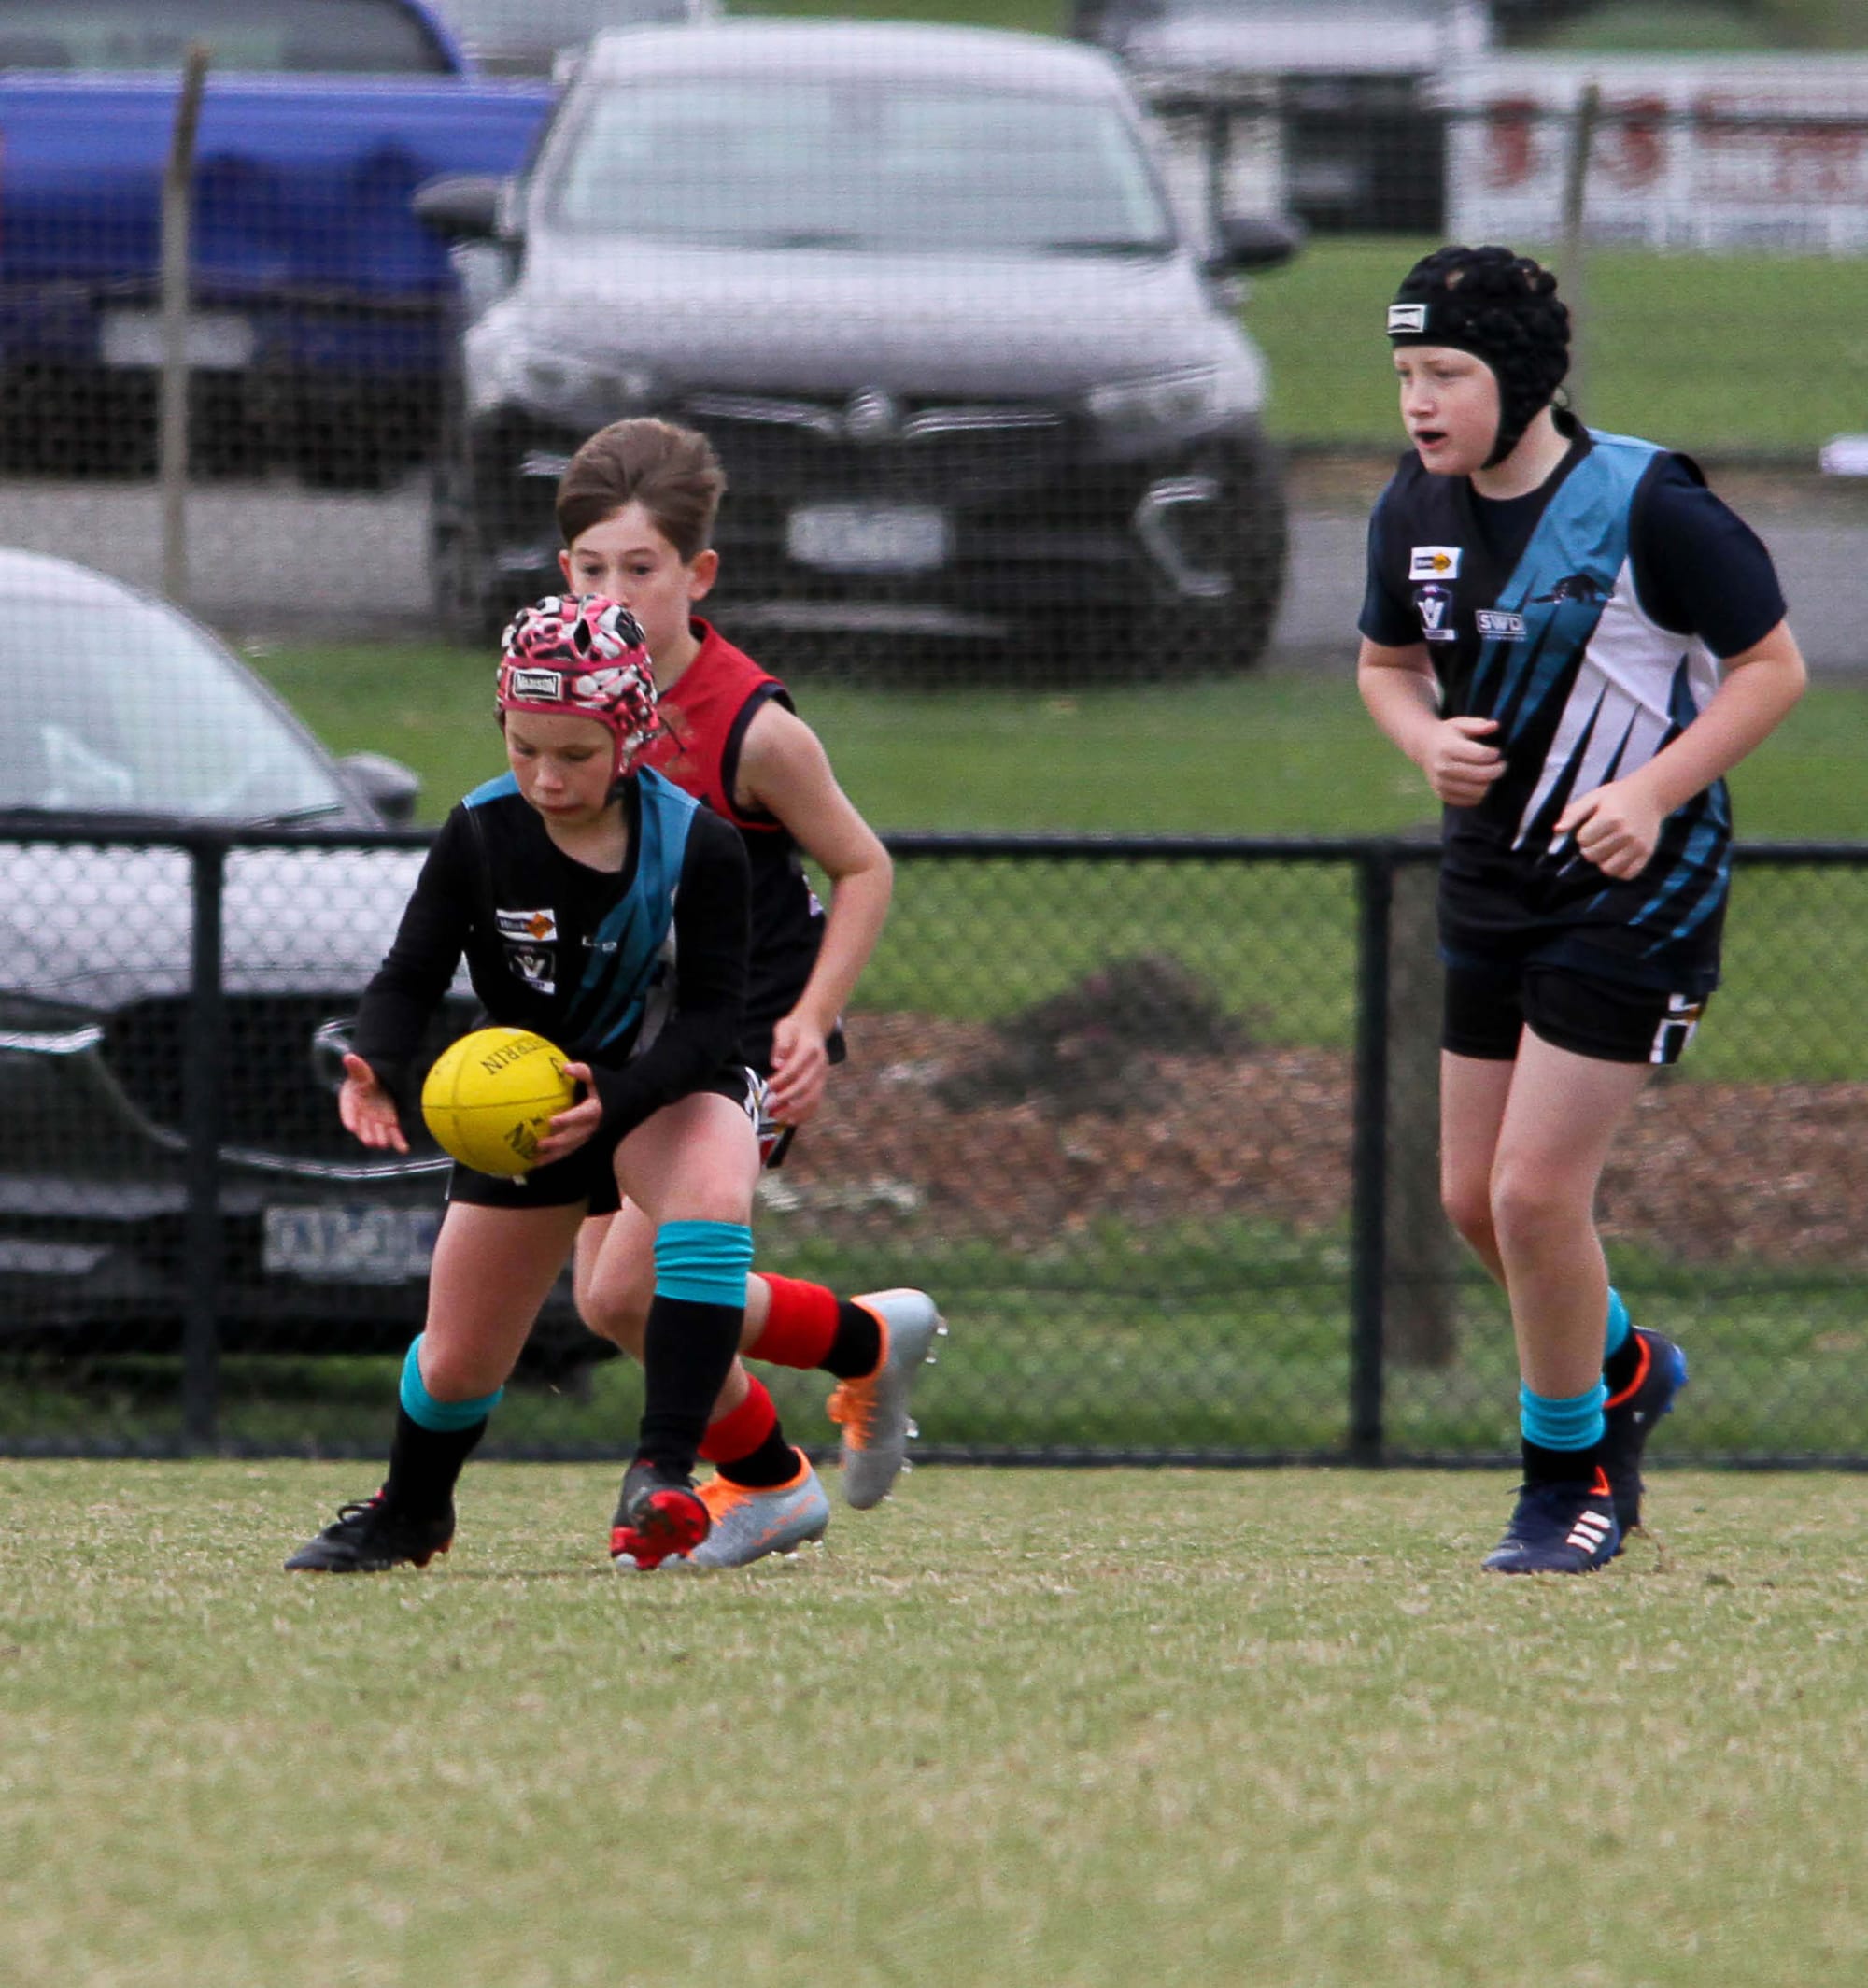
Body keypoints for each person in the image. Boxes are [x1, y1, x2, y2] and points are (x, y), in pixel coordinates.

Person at [1357, 245, 1806, 1573]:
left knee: (1535, 1193)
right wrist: (1420, 739)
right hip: (1490, 881)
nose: (1419, 402)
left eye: (1447, 372)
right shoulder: (1410, 507)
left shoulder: (1647, 502)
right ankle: (1626, 1365)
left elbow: (1770, 669)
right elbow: (1385, 666)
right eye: (1404, 374)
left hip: (1631, 891)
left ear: (1522, 378)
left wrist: (1653, 792)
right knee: (1471, 1200)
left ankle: (1571, 1477)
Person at [286, 594, 761, 1573]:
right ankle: (411, 1512)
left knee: (710, 1195)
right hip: (527, 1113)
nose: (546, 776)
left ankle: (664, 1473)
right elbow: (411, 971)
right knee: (458, 1358)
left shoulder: (698, 845)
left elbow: (715, 1019)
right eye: (523, 746)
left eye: (575, 754)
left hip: (664, 1086)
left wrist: (619, 1096)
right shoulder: (479, 830)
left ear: (632, 735)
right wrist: (376, 1061)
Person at [553, 417, 941, 1569]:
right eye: (589, 569)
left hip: (739, 1035)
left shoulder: (751, 727)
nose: (612, 597)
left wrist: (810, 1021)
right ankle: (860, 1340)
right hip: (629, 1037)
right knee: (609, 1299)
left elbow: (862, 867)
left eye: (640, 568)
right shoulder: (561, 695)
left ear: (698, 573)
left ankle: (767, 1482)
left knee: (639, 1282)